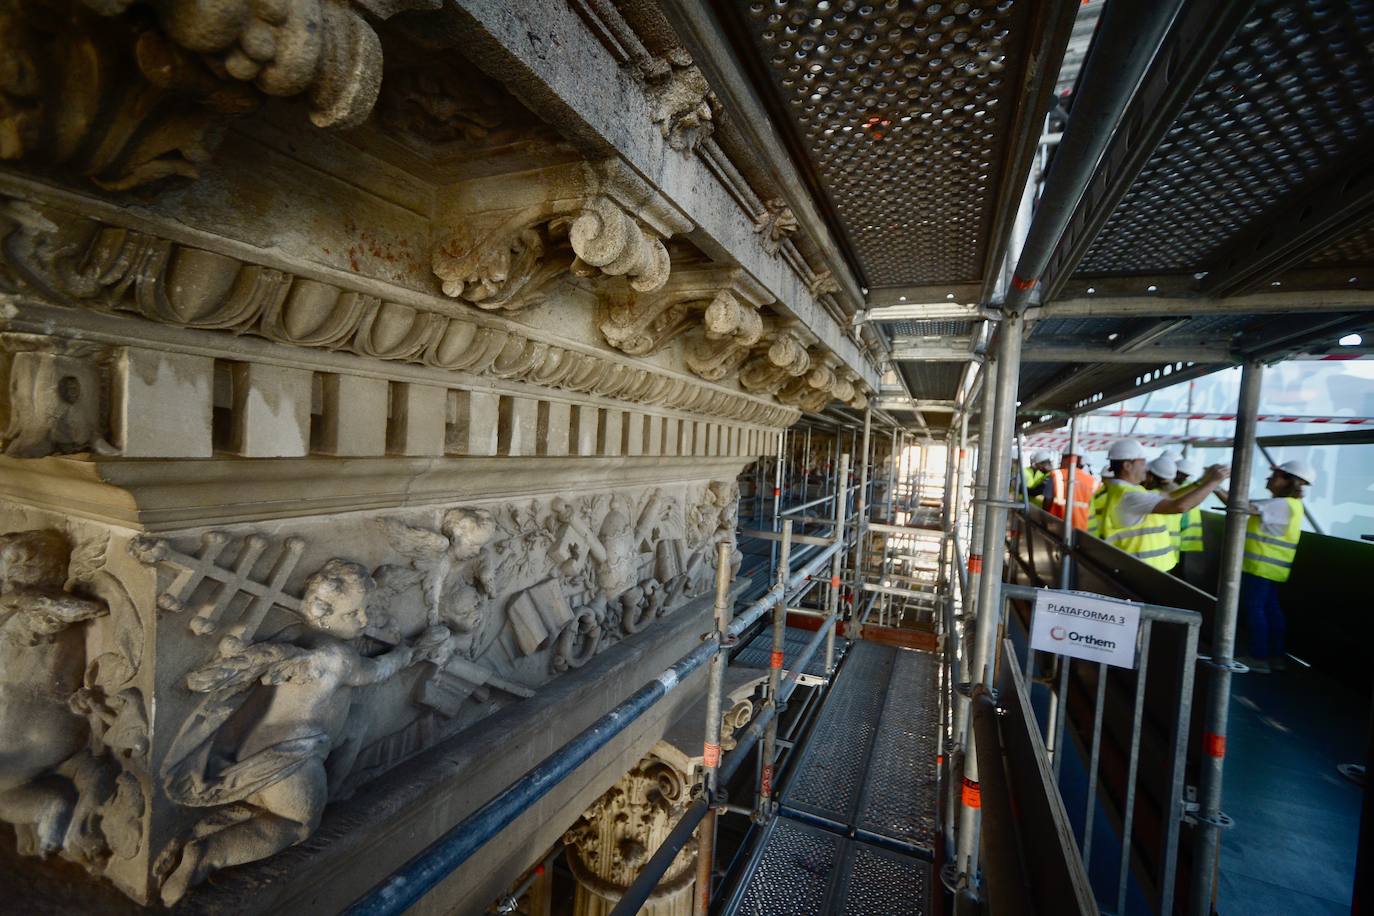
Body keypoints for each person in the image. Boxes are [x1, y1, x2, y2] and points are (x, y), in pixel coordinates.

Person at [1214, 459, 1313, 674]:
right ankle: (1275, 656)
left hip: (1259, 568)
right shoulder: (1289, 505)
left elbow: (1239, 506)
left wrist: (1212, 484)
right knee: (1271, 611)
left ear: (1288, 481)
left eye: (1275, 475)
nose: (1269, 478)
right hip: (1271, 569)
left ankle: (1259, 657)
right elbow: (1245, 502)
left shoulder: (1281, 505)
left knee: (1255, 610)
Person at [1088, 439, 1230, 570]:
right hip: (1142, 569)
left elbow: (1169, 496)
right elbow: (1179, 506)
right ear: (1127, 465)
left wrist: (1202, 482)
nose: (1146, 468)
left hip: (1140, 566)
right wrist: (1214, 482)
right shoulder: (1129, 496)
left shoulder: (1124, 490)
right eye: (1142, 463)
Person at [1142, 454, 1180, 571]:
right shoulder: (1178, 495)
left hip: (1147, 557)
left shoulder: (1150, 496)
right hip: (1168, 555)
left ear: (1151, 477)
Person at [1046, 451, 1096, 531]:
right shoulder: (1092, 480)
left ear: (1068, 459)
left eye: (1063, 458)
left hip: (1056, 526)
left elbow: (1047, 502)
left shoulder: (1057, 475)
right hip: (1081, 528)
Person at [1173, 457, 1205, 556]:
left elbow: (1183, 522)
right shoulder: (1192, 487)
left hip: (1181, 539)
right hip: (1188, 540)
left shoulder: (1180, 490)